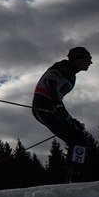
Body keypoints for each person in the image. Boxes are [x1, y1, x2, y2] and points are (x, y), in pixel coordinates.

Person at [32, 47, 92, 182]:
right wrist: (58, 106)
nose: (90, 63)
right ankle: (73, 178)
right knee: (77, 139)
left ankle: (74, 175)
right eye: (89, 59)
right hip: (44, 107)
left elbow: (57, 97)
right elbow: (51, 82)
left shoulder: (72, 74)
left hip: (52, 107)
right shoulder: (64, 66)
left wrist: (70, 120)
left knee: (78, 137)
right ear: (80, 58)